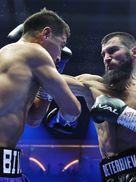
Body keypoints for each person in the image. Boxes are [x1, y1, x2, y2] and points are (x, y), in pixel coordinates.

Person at [61, 32, 136, 181]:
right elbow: (48, 82)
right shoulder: (93, 86)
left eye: (112, 50)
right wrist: (32, 52)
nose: (106, 58)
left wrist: (124, 115)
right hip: (110, 175)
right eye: (103, 54)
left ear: (134, 52)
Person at [0, 8, 81, 181]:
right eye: (61, 45)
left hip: (7, 163)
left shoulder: (8, 56)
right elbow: (73, 110)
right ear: (46, 33)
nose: (59, 56)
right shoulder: (35, 52)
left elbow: (33, 119)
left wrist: (46, 90)